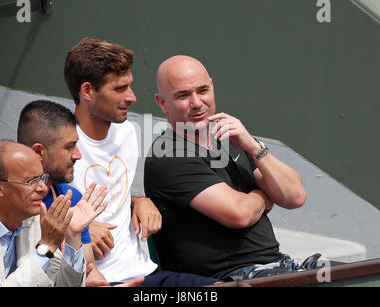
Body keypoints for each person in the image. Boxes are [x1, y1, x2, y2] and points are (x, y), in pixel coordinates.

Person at [63, 37, 219, 286]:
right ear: (87, 91)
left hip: (145, 274)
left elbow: (113, 192)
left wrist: (139, 200)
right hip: (97, 281)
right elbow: (30, 216)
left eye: (130, 86)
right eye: (119, 89)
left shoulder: (126, 132)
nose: (132, 97)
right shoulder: (60, 146)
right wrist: (74, 230)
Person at [144, 55, 315, 281]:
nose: (196, 103)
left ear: (212, 88)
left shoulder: (231, 139)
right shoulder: (168, 155)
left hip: (275, 266)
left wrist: (253, 147)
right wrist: (263, 196)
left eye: (202, 90)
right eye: (183, 95)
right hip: (229, 278)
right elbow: (240, 214)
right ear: (162, 102)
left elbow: (294, 196)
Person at [16, 99, 143, 287]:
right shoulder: (14, 204)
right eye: (69, 147)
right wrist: (50, 244)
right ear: (39, 151)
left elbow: (89, 274)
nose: (78, 154)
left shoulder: (72, 198)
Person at [0, 141, 104, 286]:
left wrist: (72, 237)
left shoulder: (32, 217)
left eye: (42, 178)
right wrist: (46, 245)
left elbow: (62, 284)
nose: (43, 188)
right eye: (31, 181)